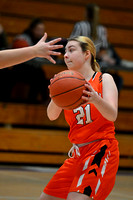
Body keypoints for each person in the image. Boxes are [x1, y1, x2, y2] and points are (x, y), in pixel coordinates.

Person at [40, 36, 119, 200]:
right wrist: (56, 96)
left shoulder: (104, 79)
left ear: (86, 54)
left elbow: (112, 115)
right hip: (77, 153)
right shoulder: (65, 83)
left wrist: (95, 99)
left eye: (71, 50)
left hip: (101, 150)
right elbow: (51, 115)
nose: (66, 55)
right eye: (65, 51)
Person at [70, 3, 125, 93]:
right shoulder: (102, 29)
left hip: (82, 63)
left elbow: (72, 45)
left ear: (86, 13)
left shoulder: (80, 25)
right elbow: (103, 51)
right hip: (97, 64)